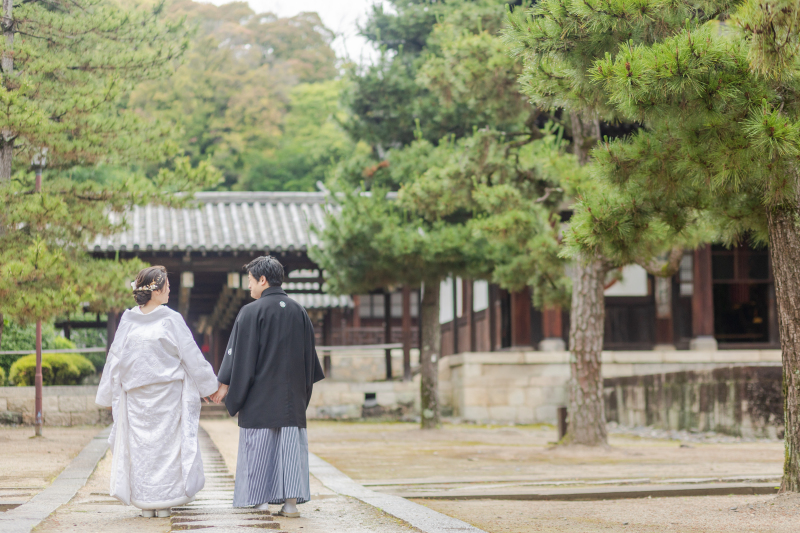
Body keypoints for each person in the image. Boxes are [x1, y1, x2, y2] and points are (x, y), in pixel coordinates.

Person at [96, 266, 221, 518]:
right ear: (154, 291)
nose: (169, 289)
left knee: (152, 450)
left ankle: (155, 503)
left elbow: (116, 358)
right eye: (166, 285)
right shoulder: (165, 319)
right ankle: (152, 501)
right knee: (155, 450)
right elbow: (191, 356)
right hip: (155, 397)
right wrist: (209, 385)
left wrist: (107, 393)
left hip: (151, 398)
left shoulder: (132, 321)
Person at [210, 255, 324, 517]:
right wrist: (300, 395)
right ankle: (290, 505)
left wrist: (225, 386)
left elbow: (239, 356)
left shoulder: (251, 312)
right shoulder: (299, 311)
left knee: (259, 449)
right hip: (292, 400)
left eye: (250, 280)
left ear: (262, 280)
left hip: (259, 399)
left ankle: (260, 503)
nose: (248, 286)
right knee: (290, 452)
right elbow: (309, 362)